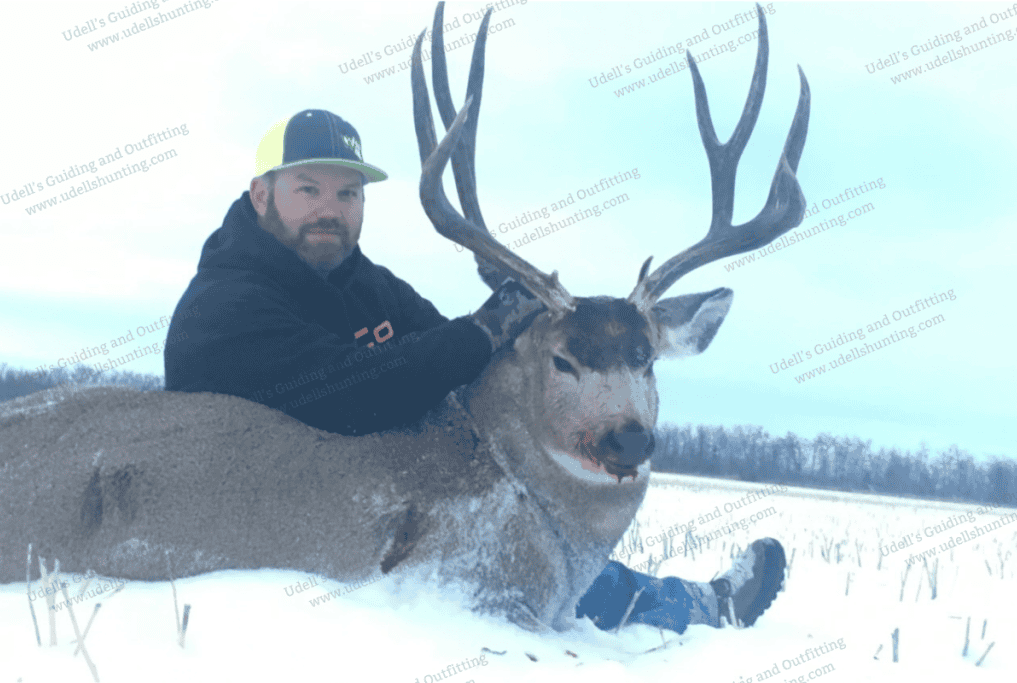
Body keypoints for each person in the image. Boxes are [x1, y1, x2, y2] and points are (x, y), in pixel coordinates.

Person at [163, 109, 786, 634]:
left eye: (347, 193)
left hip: (385, 504)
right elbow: (342, 393)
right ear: (260, 194)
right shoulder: (223, 306)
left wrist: (523, 333)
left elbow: (452, 361)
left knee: (528, 540)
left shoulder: (366, 285)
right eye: (309, 189)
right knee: (504, 557)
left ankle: (700, 605)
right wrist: (484, 331)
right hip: (275, 528)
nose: (330, 209)